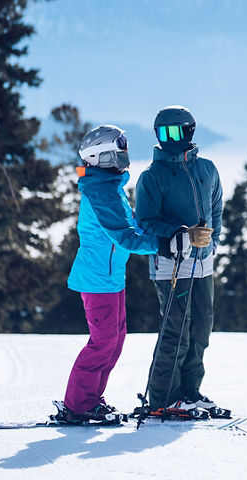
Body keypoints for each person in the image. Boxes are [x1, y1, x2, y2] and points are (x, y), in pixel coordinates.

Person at [61, 125, 162, 422]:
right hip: (97, 280)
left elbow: (132, 227)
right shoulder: (101, 192)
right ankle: (78, 405)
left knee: (115, 341)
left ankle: (90, 399)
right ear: (101, 156)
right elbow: (125, 237)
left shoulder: (110, 188)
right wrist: (162, 245)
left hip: (111, 278)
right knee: (102, 343)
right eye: (119, 151)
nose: (125, 157)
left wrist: (161, 233)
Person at [135, 105, 223, 413]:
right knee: (176, 330)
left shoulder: (208, 169)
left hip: (203, 263)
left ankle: (190, 391)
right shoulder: (152, 176)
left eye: (175, 132)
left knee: (201, 329)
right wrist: (180, 234)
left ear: (189, 131)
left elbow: (216, 209)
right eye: (162, 133)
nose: (168, 139)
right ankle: (164, 397)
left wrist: (213, 241)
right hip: (171, 262)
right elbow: (144, 222)